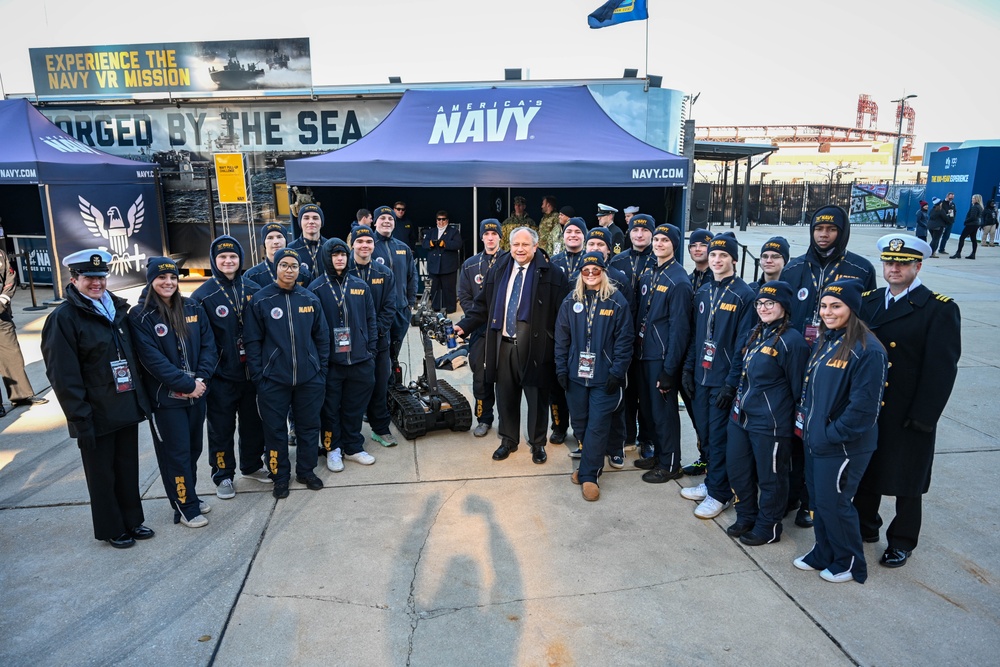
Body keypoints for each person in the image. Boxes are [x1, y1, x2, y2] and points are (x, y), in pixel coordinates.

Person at [853, 234, 961, 569]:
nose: (894, 268)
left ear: (918, 266)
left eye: (902, 263)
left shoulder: (938, 308)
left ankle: (902, 540)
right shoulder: (868, 301)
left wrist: (924, 416)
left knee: (908, 480)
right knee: (867, 471)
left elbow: (941, 370)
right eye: (889, 262)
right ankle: (865, 526)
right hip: (871, 406)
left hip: (908, 410)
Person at [40, 249, 153, 549]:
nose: (97, 283)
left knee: (127, 467)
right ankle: (112, 527)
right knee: (102, 474)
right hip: (95, 413)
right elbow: (63, 376)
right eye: (89, 278)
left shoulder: (116, 310)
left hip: (124, 404)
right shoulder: (63, 319)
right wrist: (80, 418)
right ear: (74, 278)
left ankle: (132, 520)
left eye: (101, 277)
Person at [793, 279, 887, 584]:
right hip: (817, 440)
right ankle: (823, 551)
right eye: (823, 306)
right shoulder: (828, 339)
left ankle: (849, 562)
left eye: (836, 306)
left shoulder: (867, 349)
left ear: (852, 309)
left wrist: (831, 435)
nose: (827, 312)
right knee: (819, 502)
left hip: (843, 446)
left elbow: (864, 409)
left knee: (836, 504)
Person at [453, 227, 569, 465]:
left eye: (526, 245)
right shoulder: (500, 269)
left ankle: (538, 444)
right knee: (505, 394)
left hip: (535, 346)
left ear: (535, 247)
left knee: (537, 398)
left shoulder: (553, 274)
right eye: (516, 244)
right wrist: (464, 325)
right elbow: (482, 304)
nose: (520, 249)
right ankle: (508, 440)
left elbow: (561, 315)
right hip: (503, 343)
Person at [129, 257, 218, 528]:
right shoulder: (140, 315)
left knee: (193, 450)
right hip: (166, 401)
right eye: (161, 278)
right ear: (151, 280)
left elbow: (208, 346)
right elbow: (152, 360)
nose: (168, 282)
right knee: (175, 454)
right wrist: (186, 385)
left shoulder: (191, 306)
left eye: (172, 278)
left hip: (196, 395)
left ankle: (188, 493)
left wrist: (200, 381)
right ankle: (185, 505)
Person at [725, 281, 809, 546]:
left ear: (784, 306)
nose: (763, 308)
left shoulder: (792, 341)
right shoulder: (757, 332)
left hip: (771, 424)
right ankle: (746, 514)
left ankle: (768, 526)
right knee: (738, 470)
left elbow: (799, 390)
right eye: (760, 303)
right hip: (741, 418)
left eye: (770, 303)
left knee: (771, 478)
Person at [243, 247, 330, 499]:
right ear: (276, 268)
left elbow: (322, 338)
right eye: (284, 265)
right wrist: (260, 376)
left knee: (308, 427)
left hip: (309, 380)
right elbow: (252, 341)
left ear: (300, 269)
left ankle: (306, 471)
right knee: (275, 432)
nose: (289, 269)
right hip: (274, 381)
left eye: (294, 265)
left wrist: (320, 371)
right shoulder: (261, 300)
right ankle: (279, 476)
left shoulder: (310, 299)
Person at [680, 233, 756, 519]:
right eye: (713, 255)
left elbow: (742, 345)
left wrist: (731, 383)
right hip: (701, 377)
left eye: (723, 255)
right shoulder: (703, 291)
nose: (716, 260)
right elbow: (696, 337)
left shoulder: (744, 295)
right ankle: (712, 482)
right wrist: (689, 367)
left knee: (720, 437)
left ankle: (721, 494)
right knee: (706, 436)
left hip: (723, 381)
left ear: (733, 259)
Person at [190, 236, 270, 500]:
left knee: (253, 424)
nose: (228, 261)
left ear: (241, 259)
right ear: (214, 260)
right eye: (223, 257)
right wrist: (206, 374)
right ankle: (223, 475)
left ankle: (252, 465)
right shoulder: (203, 295)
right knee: (221, 429)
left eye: (233, 257)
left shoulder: (253, 287)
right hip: (221, 376)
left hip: (250, 374)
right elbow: (199, 340)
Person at [554, 252, 633, 501]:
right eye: (585, 271)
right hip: (576, 376)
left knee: (598, 426)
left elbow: (625, 340)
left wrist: (617, 371)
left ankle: (589, 475)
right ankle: (588, 464)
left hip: (604, 378)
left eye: (595, 270)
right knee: (580, 423)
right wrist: (561, 368)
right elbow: (561, 339)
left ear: (603, 272)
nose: (590, 274)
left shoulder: (616, 301)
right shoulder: (570, 301)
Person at [310, 238, 378, 474]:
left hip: (360, 359)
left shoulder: (360, 285)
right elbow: (311, 328)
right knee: (330, 408)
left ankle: (353, 446)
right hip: (331, 362)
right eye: (334, 254)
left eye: (343, 254)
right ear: (327, 258)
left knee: (354, 407)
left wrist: (370, 349)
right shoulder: (315, 289)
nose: (339, 258)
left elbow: (371, 320)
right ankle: (332, 448)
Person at [631, 224, 693, 482]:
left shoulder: (678, 280)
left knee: (664, 414)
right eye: (656, 239)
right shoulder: (649, 272)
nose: (658, 243)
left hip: (661, 357)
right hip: (644, 354)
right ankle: (658, 454)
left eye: (664, 240)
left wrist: (670, 369)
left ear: (674, 245)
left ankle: (670, 464)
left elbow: (680, 328)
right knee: (648, 411)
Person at [780, 205, 876, 345]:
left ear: (842, 232)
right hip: (796, 346)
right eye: (818, 229)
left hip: (841, 349)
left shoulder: (861, 269)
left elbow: (867, 317)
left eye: (831, 229)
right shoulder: (793, 269)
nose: (823, 234)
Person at [610, 213, 657, 458]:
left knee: (646, 394)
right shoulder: (618, 261)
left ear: (652, 233)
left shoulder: (659, 260)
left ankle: (646, 438)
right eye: (636, 230)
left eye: (645, 230)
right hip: (623, 336)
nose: (640, 234)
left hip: (649, 339)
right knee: (626, 390)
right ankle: (627, 434)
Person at [348, 224, 396, 459]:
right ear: (353, 245)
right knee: (354, 389)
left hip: (378, 340)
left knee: (379, 384)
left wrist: (376, 332)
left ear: (373, 245)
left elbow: (390, 306)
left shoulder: (384, 273)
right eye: (360, 242)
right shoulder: (343, 271)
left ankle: (380, 428)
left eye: (368, 242)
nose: (364, 246)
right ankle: (351, 436)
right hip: (351, 343)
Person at [457, 219, 505, 437]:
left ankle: (507, 421)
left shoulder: (509, 260)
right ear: (482, 237)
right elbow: (464, 296)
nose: (491, 237)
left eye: (494, 233)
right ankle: (484, 418)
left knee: (505, 378)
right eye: (487, 234)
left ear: (500, 237)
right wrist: (477, 317)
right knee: (481, 377)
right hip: (479, 329)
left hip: (504, 330)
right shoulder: (470, 265)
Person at [372, 204, 417, 422]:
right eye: (383, 219)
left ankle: (391, 395)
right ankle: (374, 403)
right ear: (375, 222)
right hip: (379, 314)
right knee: (378, 359)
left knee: (393, 356)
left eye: (390, 219)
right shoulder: (368, 246)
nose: (387, 222)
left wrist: (409, 303)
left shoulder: (403, 248)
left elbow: (412, 277)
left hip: (400, 312)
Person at [548, 217, 588, 448]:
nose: (573, 235)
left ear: (584, 236)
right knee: (557, 384)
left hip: (585, 331)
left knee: (581, 384)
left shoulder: (591, 261)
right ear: (563, 236)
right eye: (569, 231)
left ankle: (582, 429)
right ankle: (559, 426)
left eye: (577, 232)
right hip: (559, 331)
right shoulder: (554, 261)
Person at [680, 228, 715, 474]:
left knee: (710, 419)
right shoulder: (689, 278)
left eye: (703, 245)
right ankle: (705, 456)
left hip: (709, 359)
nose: (697, 249)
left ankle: (714, 463)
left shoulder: (717, 279)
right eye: (693, 246)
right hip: (688, 354)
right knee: (697, 416)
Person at [1, 236, 47, 416]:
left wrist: (3, 298)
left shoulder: (0, 254)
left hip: (1, 315)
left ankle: (21, 395)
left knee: (12, 356)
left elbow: (10, 277)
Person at [245, 222, 313, 290]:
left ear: (286, 241)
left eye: (279, 237)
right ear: (264, 243)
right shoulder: (252, 276)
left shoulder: (304, 274)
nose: (276, 242)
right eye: (270, 238)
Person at [423, 210, 463, 314]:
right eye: (439, 219)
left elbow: (458, 244)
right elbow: (424, 243)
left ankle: (450, 309)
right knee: (434, 288)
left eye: (443, 219)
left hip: (448, 266)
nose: (441, 222)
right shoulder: (431, 231)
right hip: (434, 265)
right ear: (436, 221)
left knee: (448, 289)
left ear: (447, 220)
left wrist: (445, 244)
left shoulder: (454, 232)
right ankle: (435, 307)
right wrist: (431, 243)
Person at [289, 203, 329, 276]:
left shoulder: (330, 247)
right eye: (306, 218)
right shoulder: (291, 249)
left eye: (315, 218)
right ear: (300, 222)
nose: (311, 222)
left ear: (321, 222)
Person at [950, 194, 983, 259]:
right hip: (976, 224)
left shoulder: (975, 207)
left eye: (973, 198)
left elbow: (973, 216)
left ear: (976, 199)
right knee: (973, 239)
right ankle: (973, 253)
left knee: (962, 238)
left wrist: (966, 221)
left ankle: (958, 253)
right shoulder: (980, 207)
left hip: (971, 224)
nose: (972, 200)